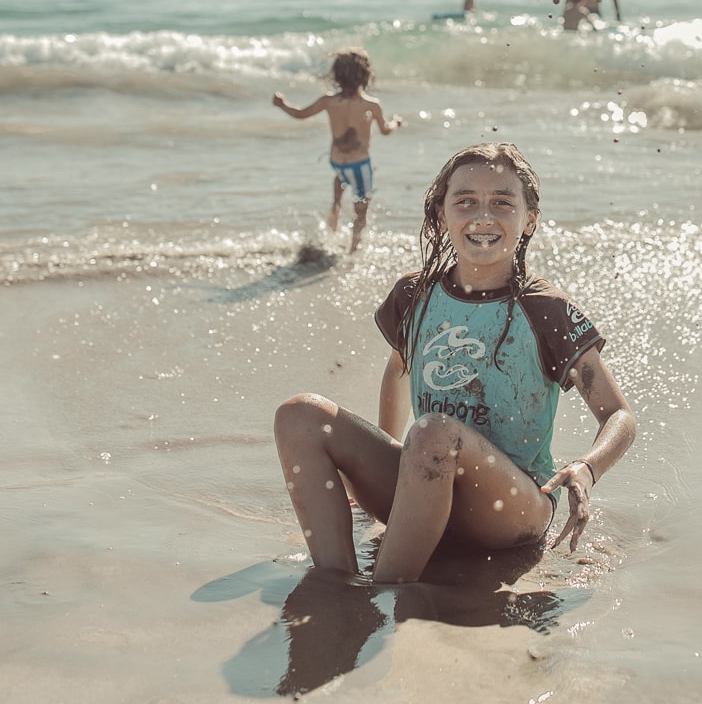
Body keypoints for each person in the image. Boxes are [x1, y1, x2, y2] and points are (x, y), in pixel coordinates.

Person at [272, 142, 637, 583]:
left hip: (512, 509)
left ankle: (385, 590)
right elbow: (398, 371)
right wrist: (381, 462)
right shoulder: (414, 296)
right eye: (465, 201)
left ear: (529, 221)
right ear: (442, 215)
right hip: (423, 483)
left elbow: (618, 415)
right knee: (299, 415)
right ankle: (335, 584)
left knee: (433, 431)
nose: (483, 216)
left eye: (502, 203)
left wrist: (588, 468)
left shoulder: (546, 309)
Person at [273, 47, 402, 253]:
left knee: (341, 178)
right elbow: (385, 130)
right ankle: (353, 250)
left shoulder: (328, 101)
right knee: (361, 210)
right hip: (359, 166)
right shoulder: (372, 105)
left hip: (336, 161)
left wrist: (282, 104)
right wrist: (396, 122)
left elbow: (299, 114)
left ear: (337, 76)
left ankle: (334, 211)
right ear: (366, 75)